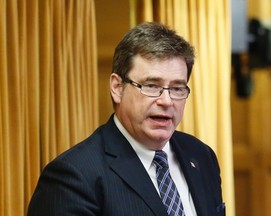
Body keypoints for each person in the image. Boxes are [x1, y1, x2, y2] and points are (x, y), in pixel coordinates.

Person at [28, 22, 225, 216]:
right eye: (151, 85)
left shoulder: (201, 156)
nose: (166, 101)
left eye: (177, 88)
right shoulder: (74, 176)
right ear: (117, 87)